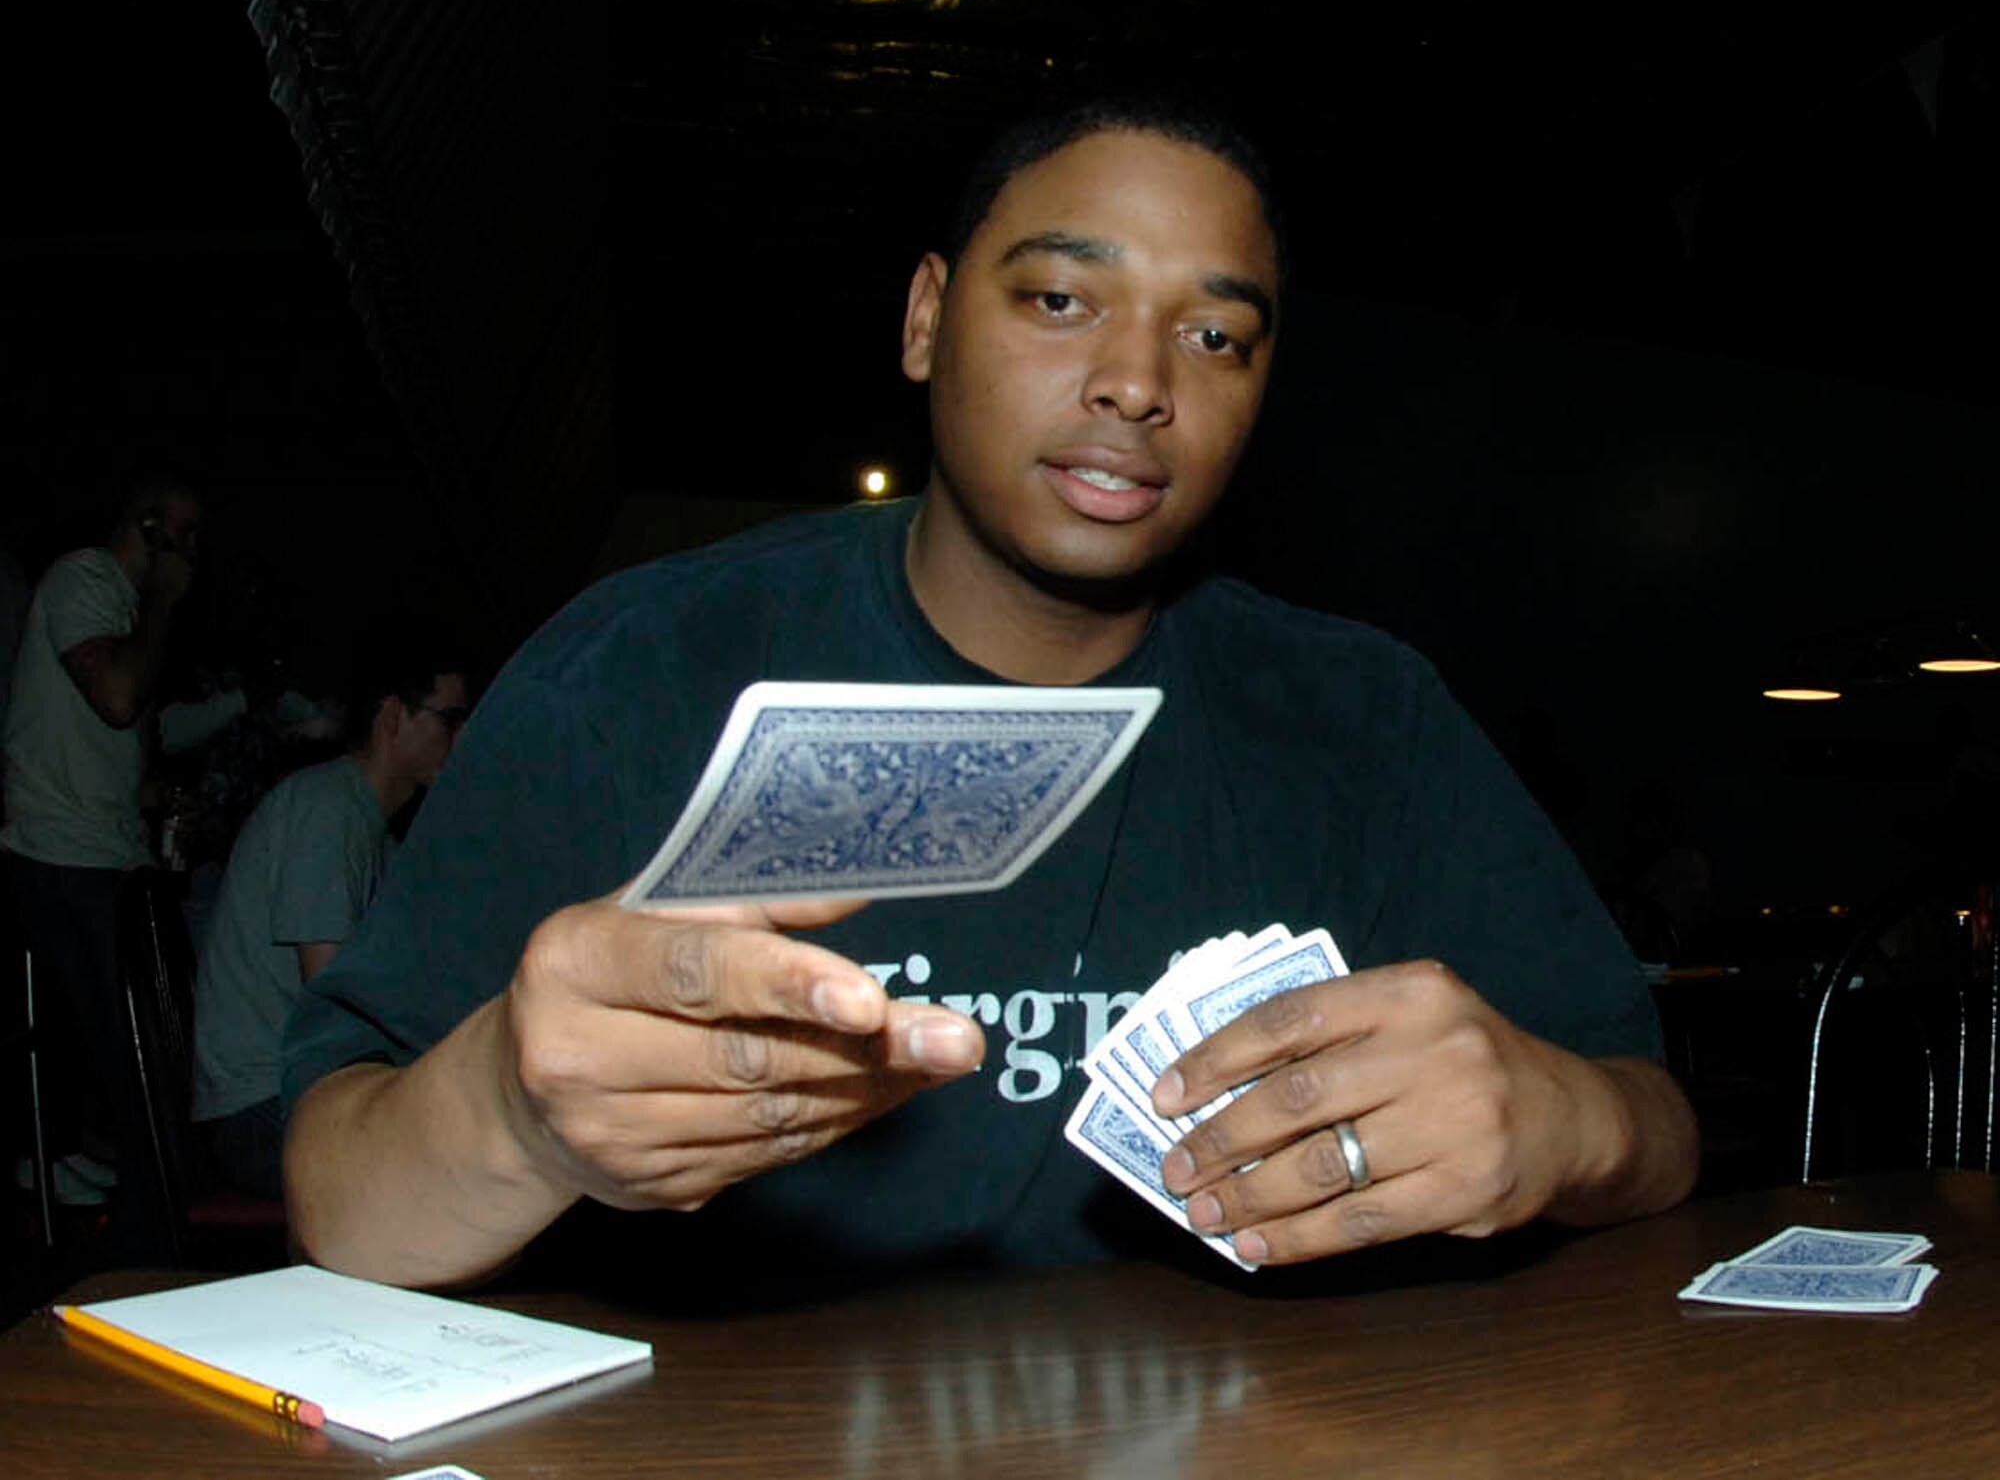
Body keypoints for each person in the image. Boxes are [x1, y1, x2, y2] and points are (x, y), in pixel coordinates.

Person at [283, 97, 1699, 1293]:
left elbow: (1658, 1128)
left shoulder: (1363, 716)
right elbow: (339, 1205)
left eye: (1216, 337)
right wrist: (515, 1119)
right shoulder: (640, 668)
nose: (1138, 382)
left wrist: (1557, 1121)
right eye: (1062, 299)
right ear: (925, 318)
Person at [3, 478, 232, 1243]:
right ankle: (148, 1265)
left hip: (104, 854)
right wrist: (165, 600)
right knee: (146, 1078)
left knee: (154, 1068)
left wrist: (153, 796)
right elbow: (116, 698)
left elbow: (108, 738)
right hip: (63, 860)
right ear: (144, 525)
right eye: (183, 532)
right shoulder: (83, 579)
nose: (193, 554)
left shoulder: (117, 603)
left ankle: (147, 1241)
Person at [190, 655, 467, 1197]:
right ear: (393, 717)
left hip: (299, 1093)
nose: (465, 738)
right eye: (450, 720)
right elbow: (334, 1008)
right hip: (262, 1107)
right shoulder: (327, 809)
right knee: (452, 1178)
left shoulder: (377, 836)